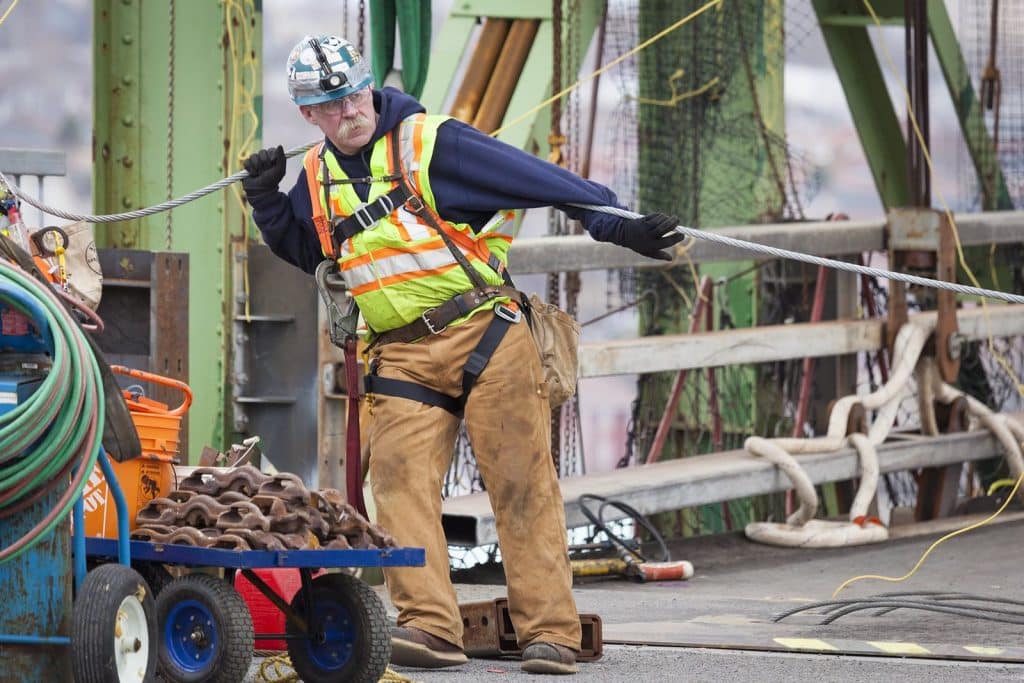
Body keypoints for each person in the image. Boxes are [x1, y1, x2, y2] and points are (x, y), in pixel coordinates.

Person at [242, 34, 683, 676]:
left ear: (369, 86)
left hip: (484, 334)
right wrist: (266, 204)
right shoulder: (317, 176)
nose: (349, 112)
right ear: (308, 116)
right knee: (396, 484)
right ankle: (429, 627)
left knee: (521, 482)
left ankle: (551, 633)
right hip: (401, 352)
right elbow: (313, 253)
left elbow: (539, 181)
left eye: (354, 94)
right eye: (331, 106)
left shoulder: (433, 144)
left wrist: (616, 224)